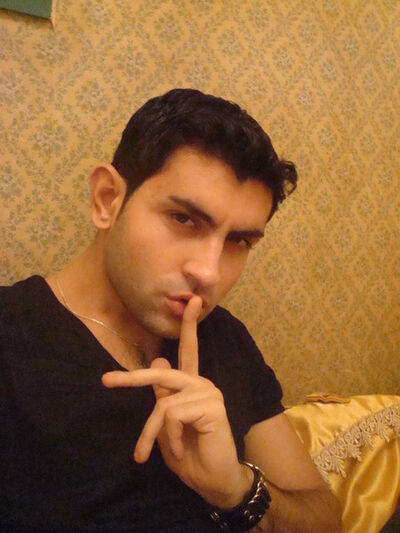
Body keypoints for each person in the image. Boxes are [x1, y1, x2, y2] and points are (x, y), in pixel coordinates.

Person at [0, 88, 342, 532]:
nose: (209, 272)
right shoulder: (11, 338)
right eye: (184, 219)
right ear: (107, 199)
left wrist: (236, 490)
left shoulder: (224, 337)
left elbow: (324, 518)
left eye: (238, 241)